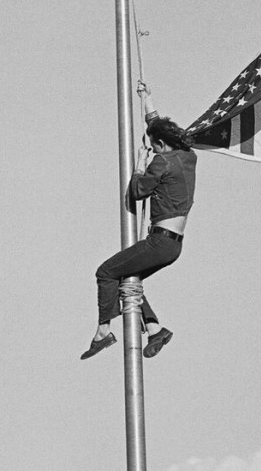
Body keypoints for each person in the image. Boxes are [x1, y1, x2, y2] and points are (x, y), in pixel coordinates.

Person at [81, 82, 197, 360]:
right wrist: (147, 100)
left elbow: (137, 192)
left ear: (159, 145)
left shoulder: (161, 162)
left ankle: (103, 331)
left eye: (154, 146)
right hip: (174, 245)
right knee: (126, 279)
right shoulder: (188, 157)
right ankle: (155, 329)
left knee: (106, 272)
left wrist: (139, 163)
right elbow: (160, 128)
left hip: (159, 242)